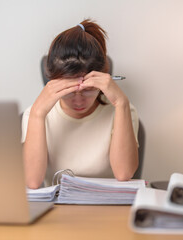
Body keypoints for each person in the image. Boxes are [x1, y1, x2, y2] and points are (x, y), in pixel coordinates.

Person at [22, 19, 139, 189]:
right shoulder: (35, 114)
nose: (78, 101)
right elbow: (32, 181)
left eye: (88, 90)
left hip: (108, 208)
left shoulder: (122, 110)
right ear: (54, 82)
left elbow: (123, 174)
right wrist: (37, 115)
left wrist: (122, 103)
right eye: (69, 91)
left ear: (103, 80)